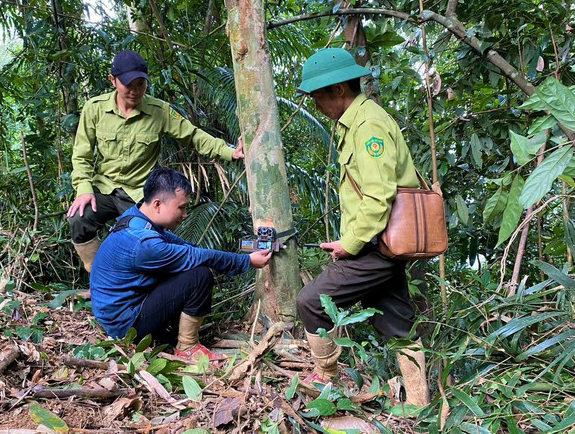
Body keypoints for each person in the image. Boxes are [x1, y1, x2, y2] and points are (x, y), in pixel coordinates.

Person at [294, 48, 430, 406]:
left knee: (311, 302)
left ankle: (326, 380)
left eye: (318, 95)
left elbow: (379, 195)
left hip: (376, 244)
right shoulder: (356, 121)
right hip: (384, 243)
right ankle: (419, 405)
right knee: (398, 326)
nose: (316, 104)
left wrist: (348, 244)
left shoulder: (368, 124)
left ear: (339, 89)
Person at [67, 50, 244, 273]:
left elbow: (194, 136)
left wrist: (230, 151)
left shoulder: (159, 111)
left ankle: (150, 289)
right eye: (128, 85)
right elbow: (81, 154)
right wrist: (84, 189)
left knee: (152, 239)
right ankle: (98, 276)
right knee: (78, 217)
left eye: (140, 84)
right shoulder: (95, 108)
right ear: (113, 80)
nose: (134, 91)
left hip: (140, 193)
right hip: (105, 187)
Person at [89, 167, 272, 360]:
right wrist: (247, 260)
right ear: (158, 204)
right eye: (181, 207)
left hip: (119, 311)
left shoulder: (135, 215)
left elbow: (182, 245)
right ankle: (187, 346)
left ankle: (174, 335)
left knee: (187, 266)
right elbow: (198, 256)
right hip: (125, 325)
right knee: (199, 276)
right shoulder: (143, 244)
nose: (185, 214)